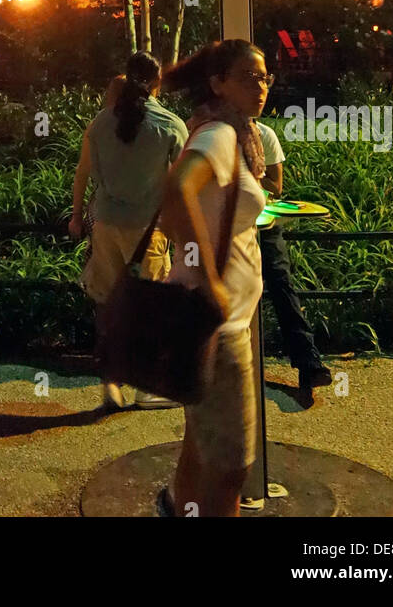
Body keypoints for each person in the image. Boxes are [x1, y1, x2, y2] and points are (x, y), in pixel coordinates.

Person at [156, 39, 271, 517]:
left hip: (208, 321)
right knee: (232, 467)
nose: (262, 86)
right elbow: (175, 192)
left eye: (265, 77)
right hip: (220, 327)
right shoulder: (220, 136)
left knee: (199, 444)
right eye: (249, 77)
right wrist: (210, 280)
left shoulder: (234, 131)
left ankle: (181, 509)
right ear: (218, 82)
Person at [69, 51, 187, 411]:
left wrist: (77, 215)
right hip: (147, 230)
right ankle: (146, 387)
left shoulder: (100, 123)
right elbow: (184, 184)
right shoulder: (171, 125)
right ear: (158, 82)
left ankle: (111, 385)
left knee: (108, 306)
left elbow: (90, 174)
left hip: (105, 225)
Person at [258, 135, 331, 388]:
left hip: (265, 224)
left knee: (282, 284)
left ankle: (309, 363)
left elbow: (276, 185)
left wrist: (239, 175)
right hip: (228, 225)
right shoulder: (216, 131)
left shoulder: (265, 135)